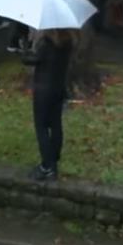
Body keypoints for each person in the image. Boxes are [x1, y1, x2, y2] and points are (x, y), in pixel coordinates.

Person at [23, 29, 76, 181]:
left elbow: (30, 60)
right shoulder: (68, 42)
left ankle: (47, 166)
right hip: (58, 89)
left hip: (43, 91)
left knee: (42, 128)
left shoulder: (46, 44)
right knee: (56, 125)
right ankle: (54, 159)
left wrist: (26, 47)